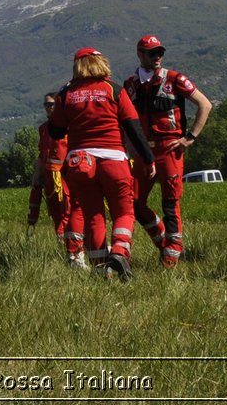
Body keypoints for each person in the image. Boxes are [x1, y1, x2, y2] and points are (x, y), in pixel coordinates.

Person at [48, 47, 155, 279]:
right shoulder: (114, 89)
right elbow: (133, 127)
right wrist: (148, 159)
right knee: (124, 212)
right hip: (113, 159)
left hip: (80, 162)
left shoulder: (66, 93)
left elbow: (56, 131)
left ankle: (101, 271)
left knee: (93, 215)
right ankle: (119, 251)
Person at [123, 34, 213, 267]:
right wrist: (130, 148)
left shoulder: (175, 79)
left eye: (160, 53)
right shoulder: (130, 85)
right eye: (152, 53)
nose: (158, 57)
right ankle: (163, 241)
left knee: (170, 202)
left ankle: (173, 253)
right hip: (142, 152)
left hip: (169, 148)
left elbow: (205, 104)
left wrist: (189, 137)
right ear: (140, 54)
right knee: (134, 202)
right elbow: (124, 121)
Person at [27, 92, 72, 249]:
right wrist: (36, 177)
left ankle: (72, 246)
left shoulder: (69, 126)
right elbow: (41, 154)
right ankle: (62, 245)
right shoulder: (43, 129)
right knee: (55, 212)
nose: (48, 107)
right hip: (49, 178)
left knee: (67, 209)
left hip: (65, 177)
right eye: (46, 105)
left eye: (51, 104)